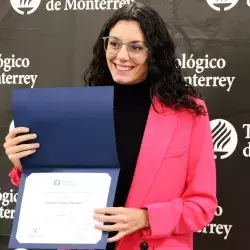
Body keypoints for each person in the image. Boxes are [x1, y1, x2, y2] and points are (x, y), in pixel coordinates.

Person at [3, 2, 217, 250]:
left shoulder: (188, 114)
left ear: (154, 53)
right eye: (114, 43)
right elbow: (54, 188)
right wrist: (25, 164)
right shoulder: (81, 109)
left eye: (136, 47)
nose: (121, 56)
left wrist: (146, 217)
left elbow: (202, 206)